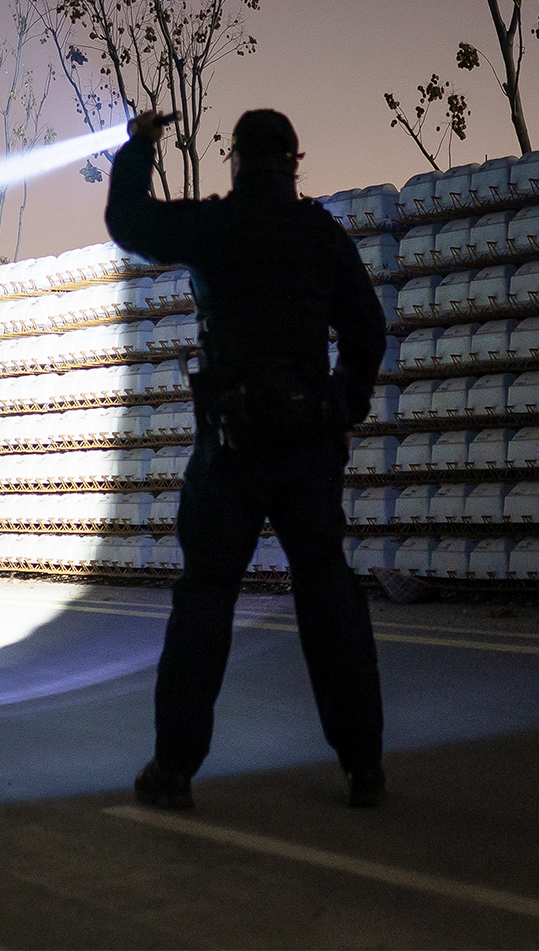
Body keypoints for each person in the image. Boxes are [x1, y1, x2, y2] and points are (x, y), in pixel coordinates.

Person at [104, 107, 388, 809]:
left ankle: (173, 770)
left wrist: (139, 148)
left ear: (234, 159)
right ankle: (364, 767)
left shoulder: (215, 225)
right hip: (306, 445)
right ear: (296, 162)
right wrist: (343, 412)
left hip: (231, 447)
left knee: (206, 597)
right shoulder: (321, 234)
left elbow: (130, 224)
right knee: (328, 594)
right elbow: (367, 328)